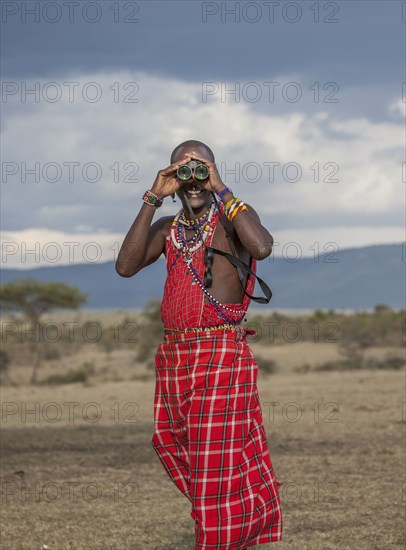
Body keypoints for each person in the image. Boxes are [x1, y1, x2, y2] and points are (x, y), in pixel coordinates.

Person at [116, 140, 283, 549]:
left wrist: (222, 188)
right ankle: (234, 524)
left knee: (214, 463)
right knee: (177, 447)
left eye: (199, 169)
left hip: (221, 352)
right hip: (175, 356)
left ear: (212, 171)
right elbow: (125, 267)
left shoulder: (233, 219)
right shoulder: (167, 229)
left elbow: (261, 246)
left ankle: (217, 537)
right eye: (181, 171)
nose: (191, 180)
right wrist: (153, 197)